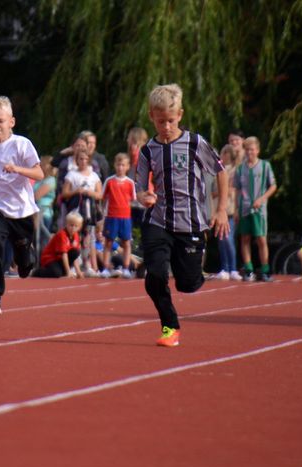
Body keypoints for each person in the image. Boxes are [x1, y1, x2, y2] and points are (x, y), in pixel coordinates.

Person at [135, 83, 229, 347]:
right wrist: (143, 196)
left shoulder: (195, 143)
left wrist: (221, 209)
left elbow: (220, 172)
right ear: (151, 116)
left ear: (180, 115)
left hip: (190, 223)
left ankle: (199, 266)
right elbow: (139, 187)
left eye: (171, 121)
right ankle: (170, 327)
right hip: (158, 220)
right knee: (154, 276)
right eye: (161, 121)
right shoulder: (147, 150)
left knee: (187, 284)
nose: (166, 126)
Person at [0, 95, 43, 316]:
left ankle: (25, 257)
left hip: (21, 210)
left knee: (24, 262)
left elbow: (39, 173)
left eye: (0, 121)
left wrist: (18, 169)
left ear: (11, 122)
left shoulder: (22, 144)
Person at [234, 136, 277, 282]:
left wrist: (262, 198)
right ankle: (248, 269)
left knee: (261, 238)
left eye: (252, 149)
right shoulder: (240, 169)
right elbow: (237, 190)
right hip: (244, 208)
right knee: (245, 238)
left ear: (257, 150)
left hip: (260, 209)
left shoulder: (265, 166)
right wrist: (236, 209)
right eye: (247, 150)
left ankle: (265, 269)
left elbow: (273, 186)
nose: (249, 152)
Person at [62, 150, 102, 276]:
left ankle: (87, 264)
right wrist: (76, 191)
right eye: (80, 159)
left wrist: (91, 193)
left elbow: (100, 194)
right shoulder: (71, 175)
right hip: (76, 210)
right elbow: (64, 193)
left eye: (85, 159)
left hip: (89, 211)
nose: (83, 161)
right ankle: (74, 265)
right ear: (77, 160)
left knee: (88, 238)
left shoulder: (94, 175)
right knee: (74, 237)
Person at [100, 152, 135, 278]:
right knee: (108, 242)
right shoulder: (109, 181)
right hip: (111, 216)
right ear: (115, 165)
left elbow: (132, 199)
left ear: (127, 167)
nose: (120, 167)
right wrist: (102, 216)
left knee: (126, 243)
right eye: (118, 165)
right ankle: (105, 268)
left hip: (125, 217)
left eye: (123, 165)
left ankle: (126, 268)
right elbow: (103, 198)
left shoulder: (130, 183)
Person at [212, 144, 241, 280]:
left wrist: (237, 209)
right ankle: (224, 268)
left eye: (226, 153)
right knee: (221, 240)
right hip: (218, 209)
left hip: (230, 209)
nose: (223, 156)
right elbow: (214, 191)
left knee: (228, 239)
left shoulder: (235, 170)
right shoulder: (216, 170)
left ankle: (233, 268)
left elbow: (233, 190)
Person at [33, 211, 84, 278]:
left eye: (76, 226)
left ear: (79, 227)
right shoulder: (62, 235)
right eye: (71, 225)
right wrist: (68, 271)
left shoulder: (76, 236)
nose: (73, 228)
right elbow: (64, 254)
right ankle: (37, 272)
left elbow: (74, 257)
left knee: (75, 252)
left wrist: (78, 271)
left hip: (59, 259)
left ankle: (63, 271)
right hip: (50, 258)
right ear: (66, 224)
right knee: (56, 273)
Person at [33, 155, 57, 252]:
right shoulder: (38, 180)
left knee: (42, 240)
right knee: (35, 240)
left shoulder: (50, 180)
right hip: (34, 212)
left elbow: (36, 196)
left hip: (43, 212)